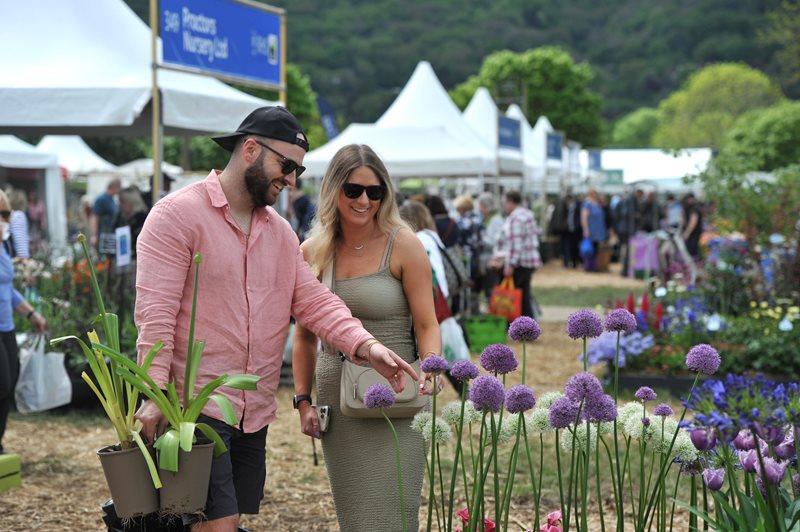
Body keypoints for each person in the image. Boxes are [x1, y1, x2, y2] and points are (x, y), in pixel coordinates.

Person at [133, 107, 417, 532]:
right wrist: (154, 392)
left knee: (214, 520)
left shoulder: (280, 233)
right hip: (194, 407)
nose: (291, 179)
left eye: (298, 170)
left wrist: (367, 346)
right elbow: (154, 316)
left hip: (253, 410)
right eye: (286, 166)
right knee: (218, 524)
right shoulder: (176, 216)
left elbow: (316, 302)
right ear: (249, 149)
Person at [293, 145, 440, 531]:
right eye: (354, 190)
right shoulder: (311, 253)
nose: (364, 200)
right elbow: (304, 338)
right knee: (357, 517)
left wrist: (432, 368)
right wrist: (303, 400)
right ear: (333, 190)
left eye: (374, 192)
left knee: (397, 511)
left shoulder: (404, 243)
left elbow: (427, 323)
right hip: (338, 398)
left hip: (400, 393)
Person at [0, 190, 47, 455]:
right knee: (2, 383)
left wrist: (31, 314)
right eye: (2, 214)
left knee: (10, 384)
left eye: (8, 214)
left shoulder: (4, 247)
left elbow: (8, 288)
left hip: (6, 326)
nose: (6, 220)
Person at [493, 191, 542, 319]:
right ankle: (529, 327)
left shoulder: (515, 218)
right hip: (529, 261)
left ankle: (519, 326)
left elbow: (516, 243)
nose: (504, 205)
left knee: (515, 297)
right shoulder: (528, 214)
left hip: (519, 263)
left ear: (510, 201)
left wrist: (511, 265)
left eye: (504, 202)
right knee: (524, 295)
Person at [454, 195, 483, 316]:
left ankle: (464, 312)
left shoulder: (460, 222)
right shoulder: (479, 219)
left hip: (465, 258)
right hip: (477, 256)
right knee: (475, 286)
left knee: (465, 285)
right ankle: (475, 311)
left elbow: (457, 241)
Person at [478, 193, 504, 304]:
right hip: (488, 258)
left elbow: (495, 241)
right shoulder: (488, 219)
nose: (479, 209)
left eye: (481, 206)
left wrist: (481, 239)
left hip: (492, 260)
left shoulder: (496, 220)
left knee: (491, 288)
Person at [90, 178, 121, 253]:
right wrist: (94, 235)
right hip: (103, 235)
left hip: (110, 235)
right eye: (119, 188)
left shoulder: (111, 199)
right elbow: (94, 217)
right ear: (114, 187)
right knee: (104, 259)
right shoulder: (101, 199)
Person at [580, 189, 607, 272]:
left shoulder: (598, 204)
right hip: (590, 230)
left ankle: (594, 266)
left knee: (595, 248)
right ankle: (588, 266)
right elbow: (584, 217)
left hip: (598, 230)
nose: (595, 196)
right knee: (589, 249)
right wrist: (585, 229)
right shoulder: (587, 204)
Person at [682, 192, 703, 259]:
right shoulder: (690, 208)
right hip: (693, 234)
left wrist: (687, 233)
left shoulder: (694, 209)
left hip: (694, 234)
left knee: (692, 252)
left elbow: (693, 222)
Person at [26, 190, 46, 255]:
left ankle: (39, 251)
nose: (31, 197)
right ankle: (34, 251)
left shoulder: (40, 204)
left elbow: (42, 214)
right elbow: (30, 215)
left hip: (38, 223)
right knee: (32, 239)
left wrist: (42, 224)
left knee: (39, 239)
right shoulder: (29, 205)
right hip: (32, 224)